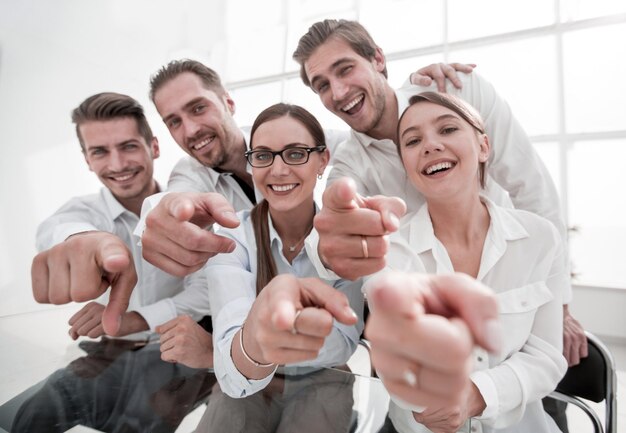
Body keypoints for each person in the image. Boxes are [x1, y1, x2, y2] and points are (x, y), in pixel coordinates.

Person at [292, 18, 587, 369]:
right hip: (430, 336)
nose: (338, 92)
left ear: (378, 59)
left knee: (530, 406)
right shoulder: (350, 165)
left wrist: (559, 305)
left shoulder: (459, 91)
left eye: (345, 69)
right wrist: (327, 248)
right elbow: (330, 227)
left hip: (510, 307)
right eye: (322, 85)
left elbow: (530, 185)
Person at [372, 92, 568, 433]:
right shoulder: (390, 249)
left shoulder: (540, 239)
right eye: (414, 140)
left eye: (447, 130)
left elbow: (547, 358)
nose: (430, 145)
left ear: (483, 147)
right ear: (406, 164)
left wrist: (478, 394)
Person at [31, 93, 213, 368]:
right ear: (87, 160)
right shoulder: (84, 212)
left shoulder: (191, 208)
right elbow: (55, 229)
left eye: (128, 146)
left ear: (154, 147)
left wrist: (133, 320)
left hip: (177, 348)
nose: (117, 165)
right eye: (100, 152)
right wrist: (83, 240)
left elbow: (205, 291)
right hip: (105, 352)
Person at [205, 102, 362, 400]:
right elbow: (232, 371)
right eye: (263, 156)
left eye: (295, 153)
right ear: (251, 164)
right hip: (250, 389)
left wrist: (260, 337)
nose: (278, 170)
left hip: (324, 384)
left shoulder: (341, 235)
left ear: (322, 160)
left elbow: (343, 342)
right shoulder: (231, 235)